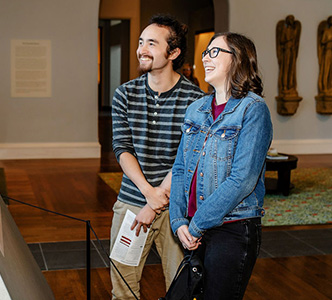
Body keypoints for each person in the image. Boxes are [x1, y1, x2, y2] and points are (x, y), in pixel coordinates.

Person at [169, 32, 273, 300]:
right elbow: (180, 168)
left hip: (232, 228)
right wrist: (178, 220)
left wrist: (195, 226)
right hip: (193, 227)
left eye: (214, 52)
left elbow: (243, 180)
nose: (206, 58)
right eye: (205, 53)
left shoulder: (253, 109)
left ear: (237, 59)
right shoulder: (196, 109)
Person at [110, 14, 205, 299]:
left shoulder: (195, 100)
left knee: (182, 291)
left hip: (176, 208)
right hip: (131, 201)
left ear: (173, 52)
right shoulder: (125, 94)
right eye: (141, 42)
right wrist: (147, 193)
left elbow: (187, 158)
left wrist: (156, 202)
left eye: (152, 43)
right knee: (123, 290)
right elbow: (122, 148)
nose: (142, 49)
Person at [276, 15, 301, 98]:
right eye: (290, 20)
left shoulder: (294, 30)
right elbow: (282, 40)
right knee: (285, 69)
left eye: (292, 20)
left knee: (291, 70)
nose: (291, 21)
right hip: (286, 51)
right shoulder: (285, 30)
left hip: (292, 51)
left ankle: (290, 86)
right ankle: (284, 87)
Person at [318, 16, 332, 96]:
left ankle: (330, 87)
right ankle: (324, 87)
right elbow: (323, 41)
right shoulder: (327, 31)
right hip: (328, 50)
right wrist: (329, 40)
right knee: (326, 69)